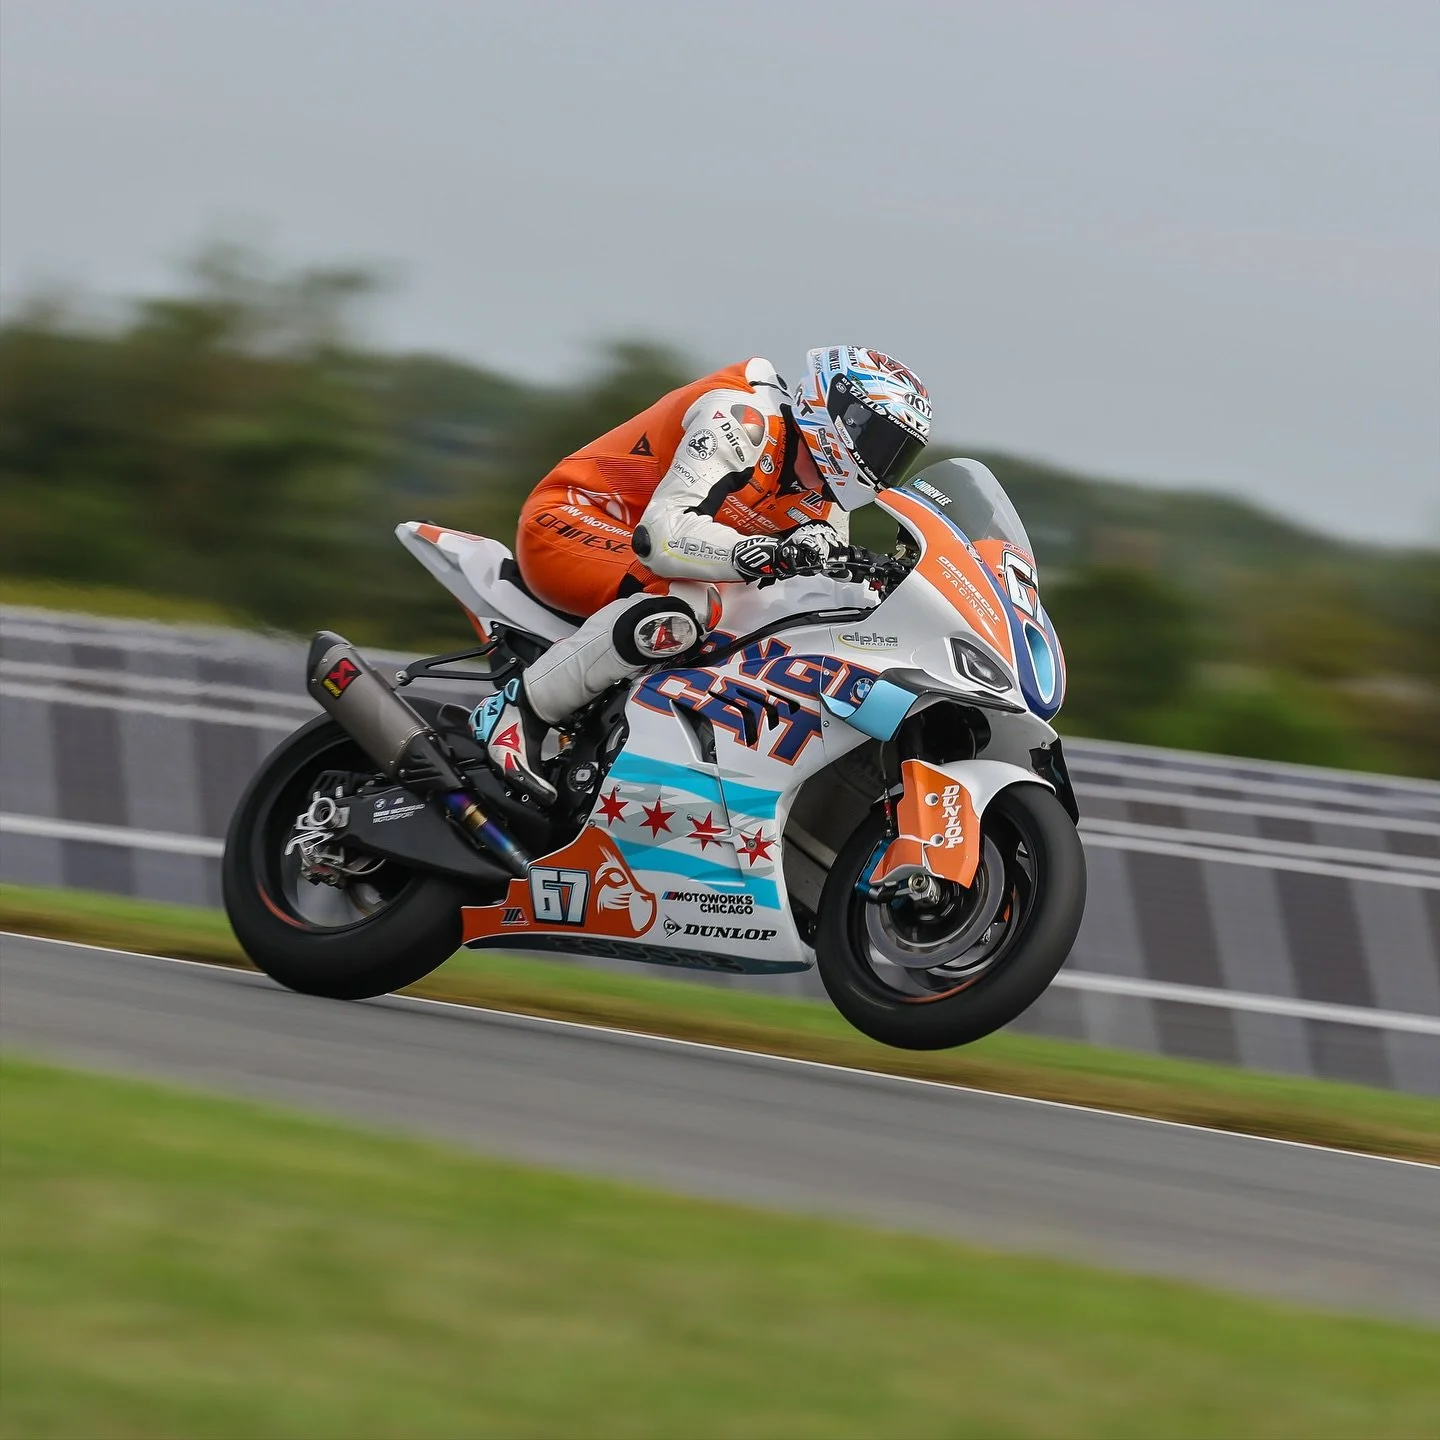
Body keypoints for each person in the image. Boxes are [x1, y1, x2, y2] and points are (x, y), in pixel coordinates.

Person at [475, 346, 932, 803]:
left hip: (649, 556)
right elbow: (661, 537)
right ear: (841, 415)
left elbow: (829, 588)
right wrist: (767, 553)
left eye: (899, 454)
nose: (883, 465)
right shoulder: (741, 419)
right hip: (574, 519)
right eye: (881, 442)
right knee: (690, 607)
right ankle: (520, 710)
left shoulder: (823, 500)